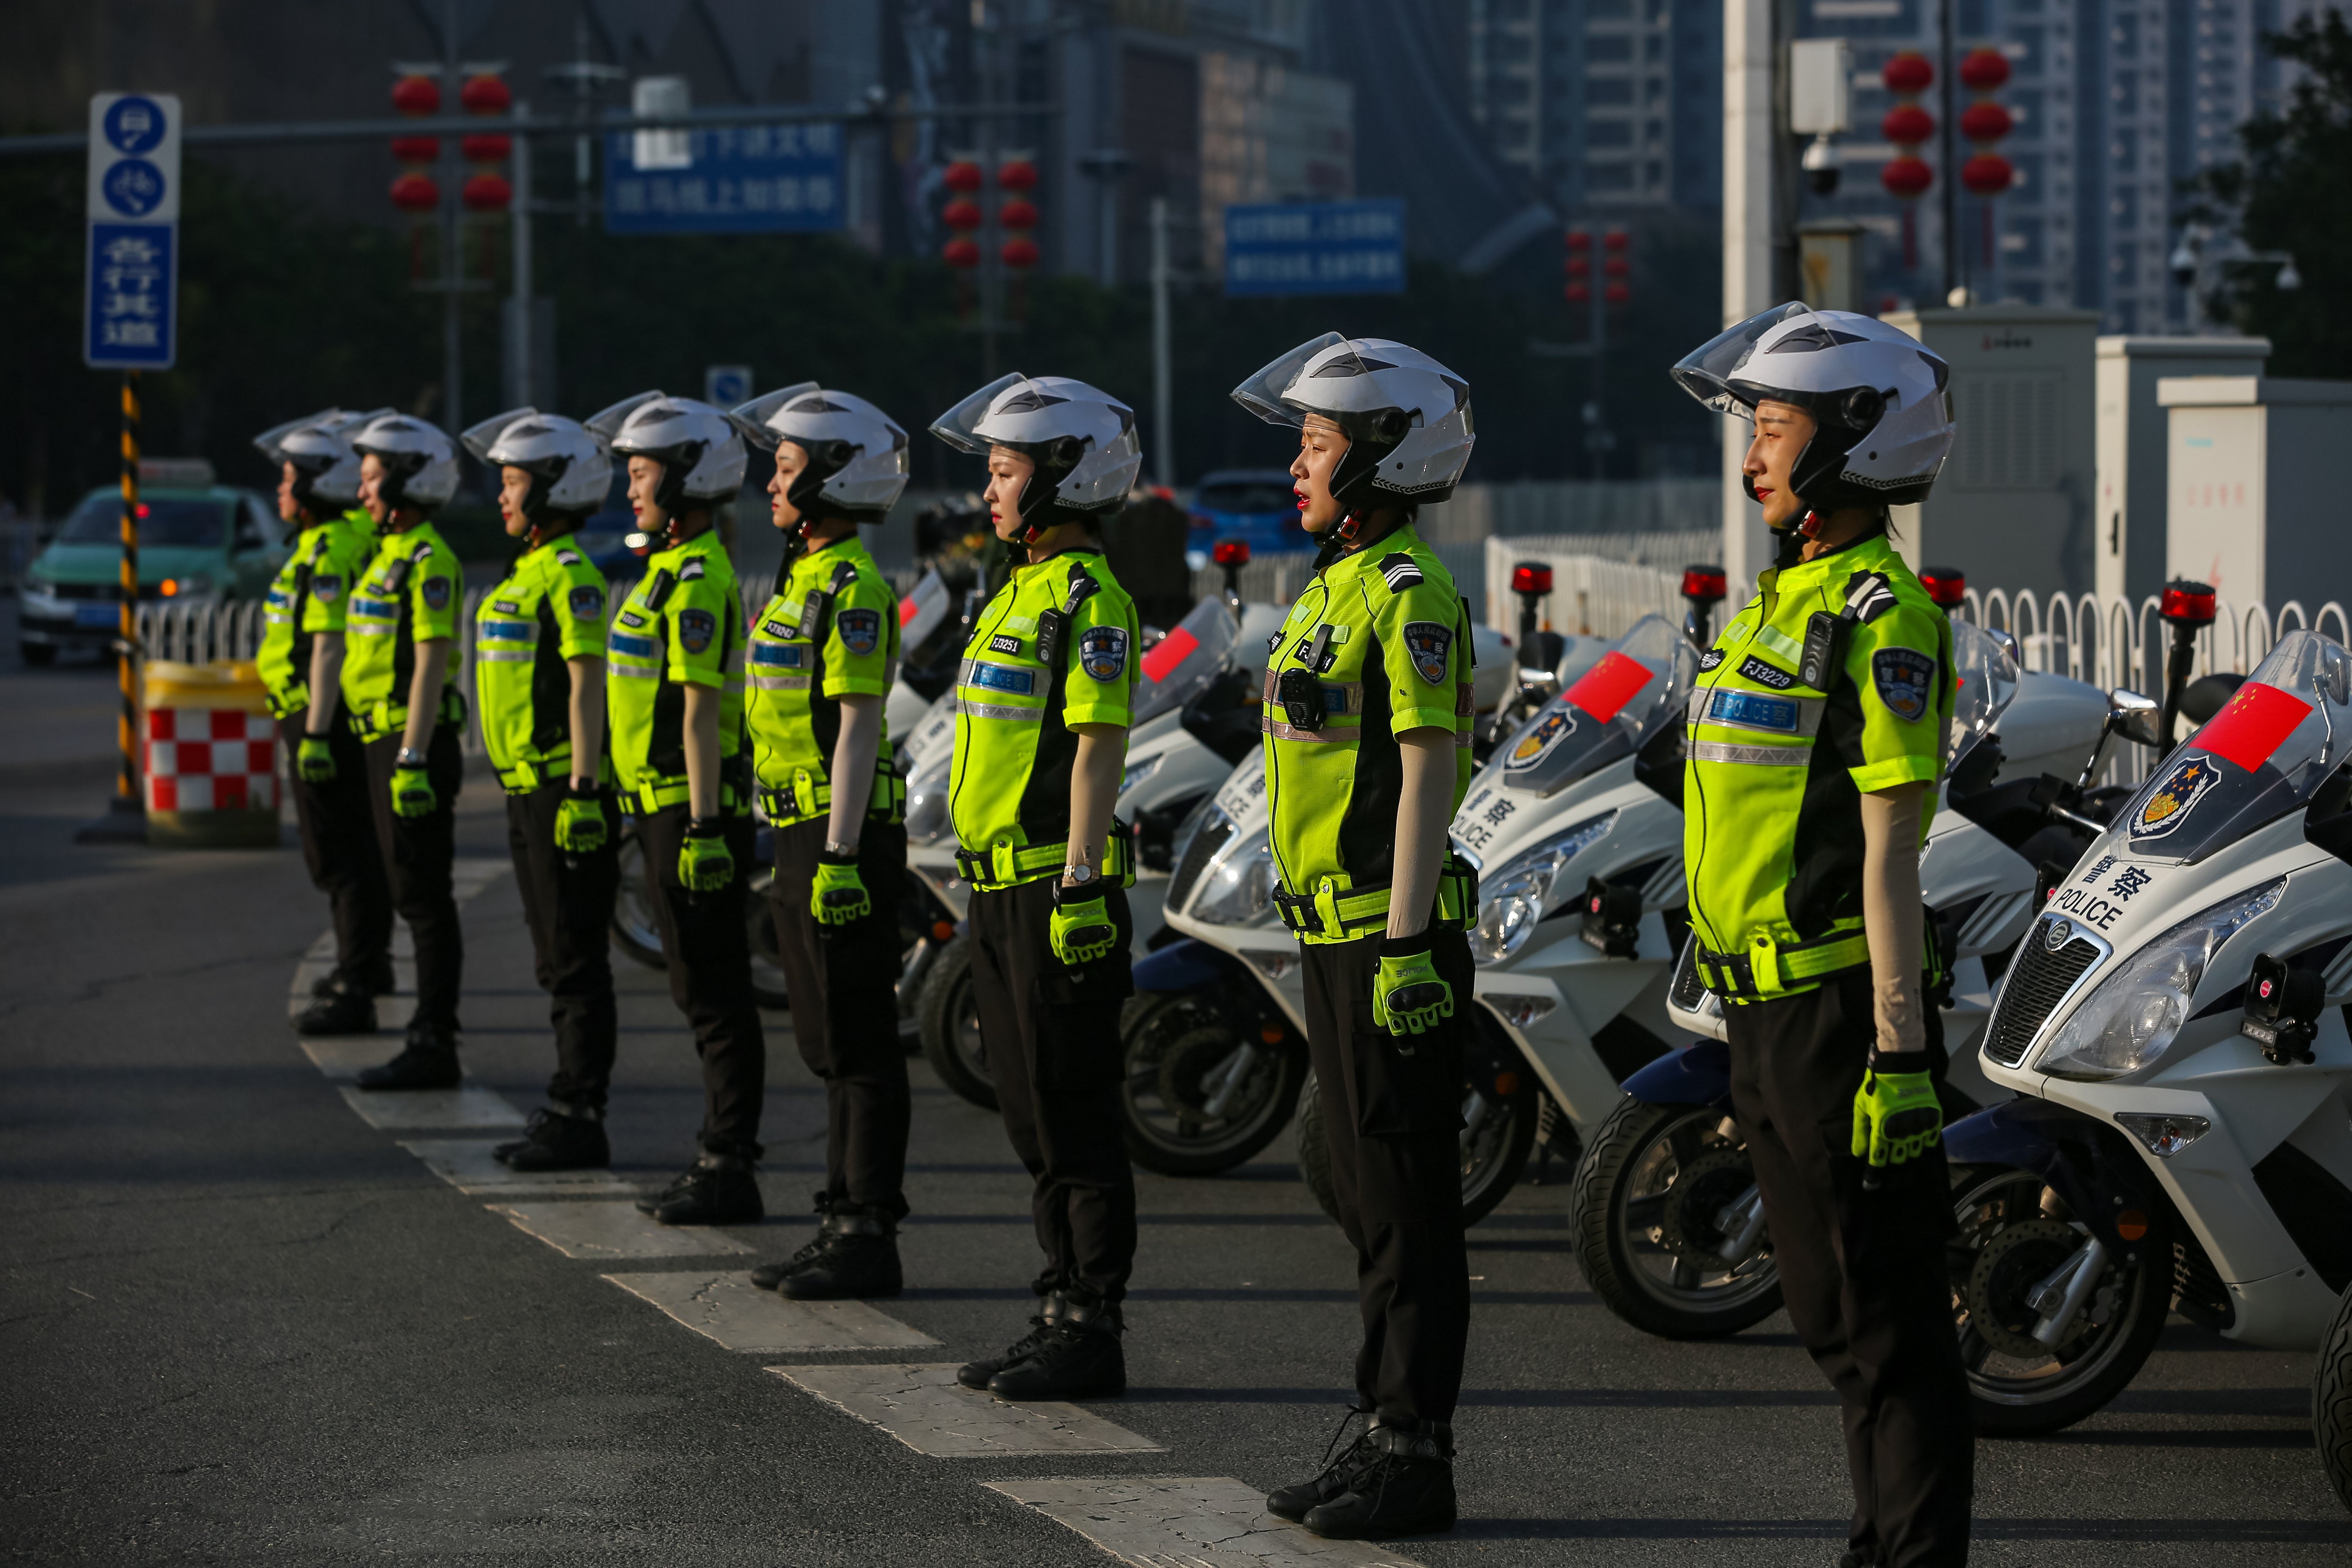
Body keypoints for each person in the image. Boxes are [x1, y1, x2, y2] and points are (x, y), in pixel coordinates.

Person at [1670, 303, 1970, 1568]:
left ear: (1851, 442)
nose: (1753, 456)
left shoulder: (1881, 616)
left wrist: (1902, 1060)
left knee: (1891, 1322)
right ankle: (1875, 1540)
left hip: (1840, 1014)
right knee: (1829, 1311)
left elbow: (1893, 853)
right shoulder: (1777, 601)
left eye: (1773, 428)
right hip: (1759, 1010)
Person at [1228, 334, 1479, 1541]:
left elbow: (1429, 768)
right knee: (1373, 1196)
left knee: (1408, 1201)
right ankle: (1380, 1426)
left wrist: (1411, 943)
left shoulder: (1410, 596)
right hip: (1335, 934)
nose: (1296, 468)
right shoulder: (1330, 589)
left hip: (1391, 940)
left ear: (1381, 457)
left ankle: (1415, 1452)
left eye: (1316, 445)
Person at [927, 373, 1143, 1400]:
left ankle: (1092, 1326)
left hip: (1057, 895)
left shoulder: (1090, 601)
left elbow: (1097, 751)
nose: (989, 494)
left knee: (1075, 1112)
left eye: (1005, 471)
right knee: (1026, 1112)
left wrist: (1083, 882)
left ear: (1066, 475)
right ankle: (1054, 1302)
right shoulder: (1013, 591)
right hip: (995, 892)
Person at [728, 384, 914, 1298]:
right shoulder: (800, 578)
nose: (770, 482)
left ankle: (867, 1232)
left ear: (833, 481)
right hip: (797, 829)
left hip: (841, 836)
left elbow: (858, 726)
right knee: (824, 1038)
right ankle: (837, 1216)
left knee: (860, 1039)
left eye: (787, 468)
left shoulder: (854, 585)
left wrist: (840, 854)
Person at [587, 391, 766, 1225]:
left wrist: (701, 827)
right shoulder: (663, 570)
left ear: (688, 478)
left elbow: (699, 711)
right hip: (657, 805)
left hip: (690, 810)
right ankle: (718, 1154)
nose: (631, 488)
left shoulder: (698, 580)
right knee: (696, 989)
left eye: (643, 472)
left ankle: (729, 1163)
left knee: (717, 993)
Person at [457, 407, 623, 1171]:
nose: (502, 496)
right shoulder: (525, 572)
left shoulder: (571, 578)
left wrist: (587, 790)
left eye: (514, 482)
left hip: (564, 786)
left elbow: (588, 687)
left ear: (554, 489)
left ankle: (579, 1112)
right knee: (553, 957)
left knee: (575, 955)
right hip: (527, 789)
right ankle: (567, 1102)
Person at [254, 408, 396, 1036]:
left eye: (289, 477)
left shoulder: (335, 548)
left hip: (325, 719)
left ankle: (357, 984)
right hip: (320, 716)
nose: (280, 489)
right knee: (350, 850)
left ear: (315, 485)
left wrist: (314, 732)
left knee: (341, 855)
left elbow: (329, 647)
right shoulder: (321, 543)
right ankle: (368, 964)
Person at [342, 414, 468, 1089]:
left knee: (424, 898)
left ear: (405, 480)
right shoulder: (386, 554)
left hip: (409, 742)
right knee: (404, 887)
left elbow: (429, 663)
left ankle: (434, 1041)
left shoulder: (427, 560)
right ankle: (426, 1035)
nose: (361, 493)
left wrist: (413, 757)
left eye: (369, 479)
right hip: (380, 739)